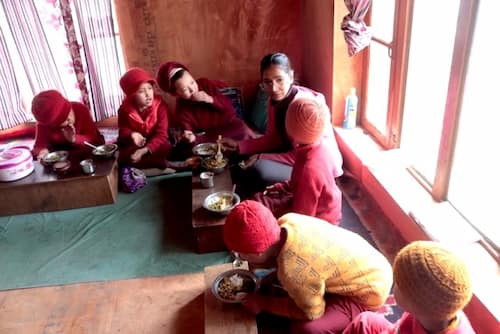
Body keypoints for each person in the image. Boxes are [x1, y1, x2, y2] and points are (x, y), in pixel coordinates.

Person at [223, 200, 393, 334]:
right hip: (372, 262)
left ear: (258, 253)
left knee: (305, 328)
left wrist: (263, 304)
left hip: (369, 292)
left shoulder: (293, 271)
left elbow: (311, 313)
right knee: (290, 287)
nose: (239, 256)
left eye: (240, 253)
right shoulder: (288, 220)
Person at [221, 52, 343, 194]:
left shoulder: (302, 107)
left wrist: (262, 156)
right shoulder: (273, 101)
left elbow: (306, 155)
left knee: (260, 169)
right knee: (241, 156)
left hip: (319, 168)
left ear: (291, 77)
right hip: (296, 154)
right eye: (268, 82)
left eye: (279, 80)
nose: (273, 88)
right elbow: (273, 138)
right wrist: (239, 146)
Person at [342, 241, 476, 334]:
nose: (394, 284)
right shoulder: (439, 310)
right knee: (365, 321)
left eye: (399, 283)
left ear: (415, 304)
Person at [252, 97, 342, 224]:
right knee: (262, 201)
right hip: (320, 205)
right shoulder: (317, 145)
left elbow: (302, 218)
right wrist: (281, 187)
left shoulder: (310, 169)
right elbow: (297, 182)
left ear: (291, 129)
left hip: (321, 220)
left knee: (261, 212)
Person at [156, 61, 255, 148]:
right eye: (185, 89)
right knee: (194, 145)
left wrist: (209, 99)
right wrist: (189, 135)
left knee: (243, 129)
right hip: (209, 135)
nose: (192, 89)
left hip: (229, 125)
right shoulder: (182, 106)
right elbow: (187, 128)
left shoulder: (205, 84)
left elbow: (229, 108)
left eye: (192, 82)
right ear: (176, 94)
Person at [117, 67, 172, 170]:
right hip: (135, 143)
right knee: (121, 155)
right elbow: (123, 130)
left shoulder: (160, 106)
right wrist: (132, 135)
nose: (148, 94)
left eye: (150, 88)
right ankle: (157, 163)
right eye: (141, 91)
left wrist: (143, 151)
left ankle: (147, 163)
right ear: (132, 96)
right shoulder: (124, 109)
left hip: (153, 142)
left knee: (166, 146)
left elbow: (162, 134)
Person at [31, 90, 104, 161]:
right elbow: (38, 147)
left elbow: (93, 138)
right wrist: (42, 151)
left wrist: (75, 139)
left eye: (69, 110)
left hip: (83, 148)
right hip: (61, 154)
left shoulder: (80, 109)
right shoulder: (43, 123)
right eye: (64, 119)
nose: (70, 118)